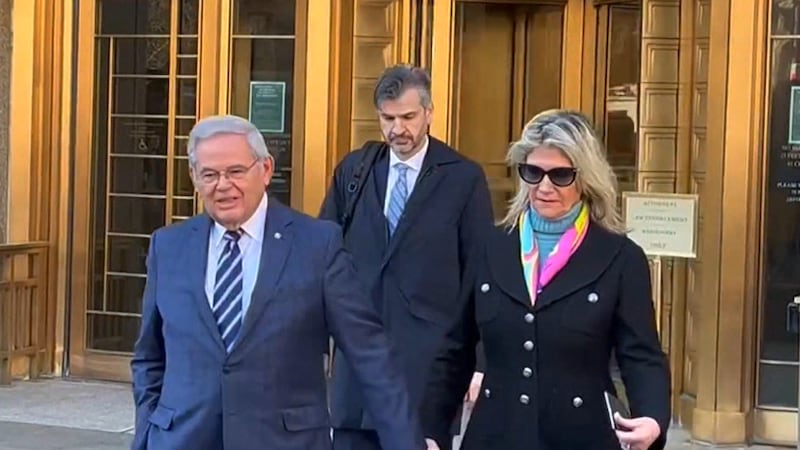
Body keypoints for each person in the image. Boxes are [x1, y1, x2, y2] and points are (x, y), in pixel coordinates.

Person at [130, 115, 425, 450]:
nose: (222, 185)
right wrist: (147, 434)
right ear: (194, 178)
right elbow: (150, 358)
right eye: (209, 175)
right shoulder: (168, 246)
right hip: (181, 440)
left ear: (266, 170)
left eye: (236, 172)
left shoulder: (317, 244)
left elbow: (370, 355)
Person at [422, 109, 671, 450]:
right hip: (495, 436)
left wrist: (653, 419)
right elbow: (455, 351)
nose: (544, 187)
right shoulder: (491, 247)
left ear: (585, 178)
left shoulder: (620, 258)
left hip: (581, 436)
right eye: (533, 172)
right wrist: (430, 432)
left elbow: (642, 356)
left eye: (560, 176)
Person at [319, 64, 493, 450]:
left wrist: (481, 363)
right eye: (388, 118)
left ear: (429, 113)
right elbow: (321, 260)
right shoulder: (355, 170)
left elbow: (481, 277)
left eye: (408, 117)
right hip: (356, 373)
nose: (398, 129)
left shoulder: (463, 178)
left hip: (428, 373)